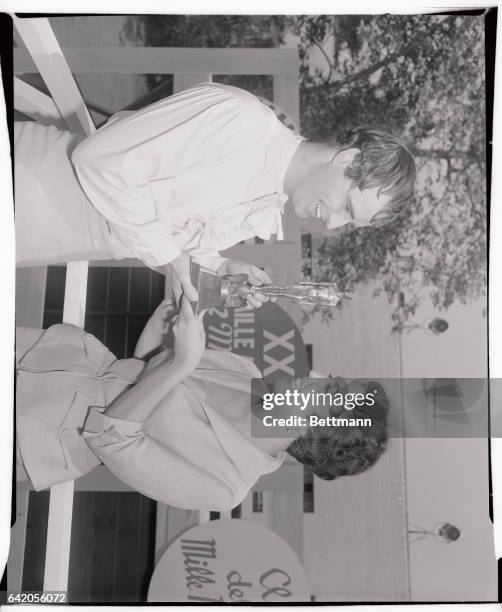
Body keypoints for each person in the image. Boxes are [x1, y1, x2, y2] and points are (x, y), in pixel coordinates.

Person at [15, 82, 416, 305]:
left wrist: (218, 267)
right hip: (28, 185)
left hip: (43, 240)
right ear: (346, 160)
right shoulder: (238, 119)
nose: (333, 224)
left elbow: (162, 229)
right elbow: (97, 160)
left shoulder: (267, 201)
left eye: (350, 222)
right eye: (347, 207)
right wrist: (172, 261)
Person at [16, 298, 388, 510]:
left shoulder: (224, 486)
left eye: (326, 391)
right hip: (52, 356)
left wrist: (181, 363)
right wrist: (172, 318)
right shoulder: (246, 370)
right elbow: (146, 370)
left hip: (37, 433)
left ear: (315, 434)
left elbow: (111, 439)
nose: (318, 371)